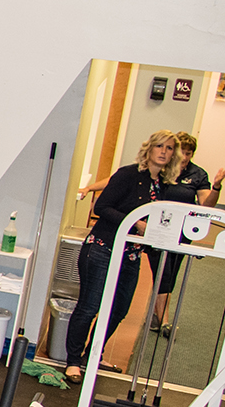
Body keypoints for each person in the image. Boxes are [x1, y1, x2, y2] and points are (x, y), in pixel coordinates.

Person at [65, 131, 183, 381]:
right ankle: (73, 361)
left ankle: (92, 354)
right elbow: (101, 208)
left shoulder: (163, 186)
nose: (164, 151)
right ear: (149, 149)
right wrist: (136, 224)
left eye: (170, 148)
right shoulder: (128, 175)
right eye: (159, 146)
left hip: (131, 255)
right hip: (101, 248)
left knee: (119, 310)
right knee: (90, 306)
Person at [143, 133, 225, 333]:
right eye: (181, 152)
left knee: (170, 274)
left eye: (188, 154)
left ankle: (157, 314)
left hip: (183, 231)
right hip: (159, 228)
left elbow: (206, 204)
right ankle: (165, 321)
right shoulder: (161, 170)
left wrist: (216, 187)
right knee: (162, 273)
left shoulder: (198, 174)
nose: (184, 158)